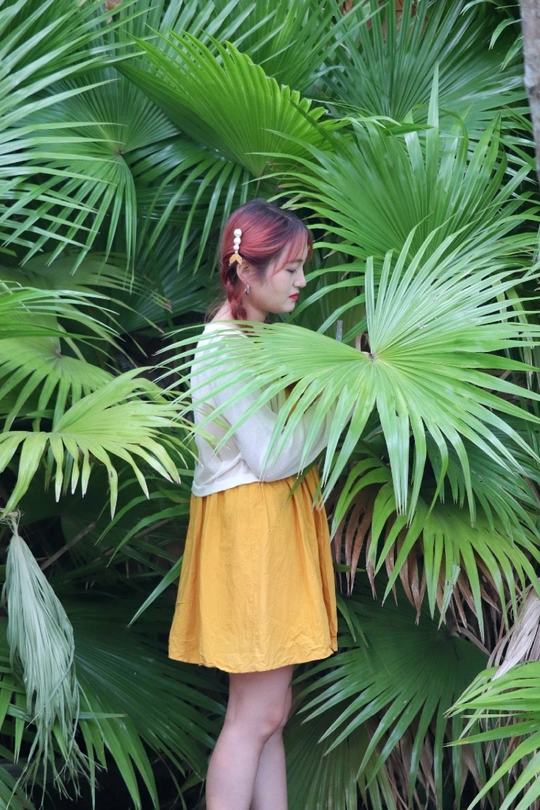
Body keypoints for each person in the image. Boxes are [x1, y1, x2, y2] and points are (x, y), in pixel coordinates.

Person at [169, 199, 337, 810]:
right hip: (251, 521)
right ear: (246, 270)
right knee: (255, 715)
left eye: (301, 267)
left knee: (270, 711)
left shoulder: (253, 336)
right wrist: (335, 407)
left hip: (265, 521)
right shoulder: (226, 346)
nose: (301, 280)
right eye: (290, 268)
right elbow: (269, 457)